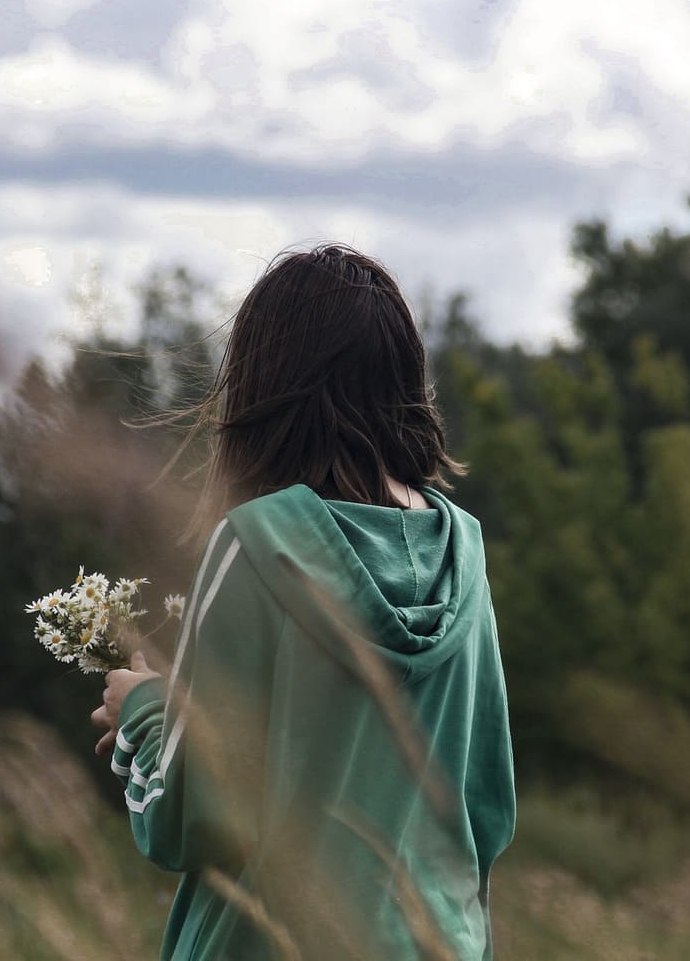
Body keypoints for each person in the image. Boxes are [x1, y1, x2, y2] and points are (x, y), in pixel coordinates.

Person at [90, 243, 516, 960]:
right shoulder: (465, 552)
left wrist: (142, 709)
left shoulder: (254, 544)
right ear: (405, 382)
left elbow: (191, 814)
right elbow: (486, 811)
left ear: (261, 388)